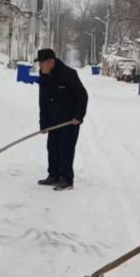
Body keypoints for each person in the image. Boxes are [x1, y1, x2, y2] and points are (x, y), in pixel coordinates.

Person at [37, 49, 89, 191]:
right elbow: (43, 102)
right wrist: (44, 123)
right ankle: (53, 175)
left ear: (51, 62)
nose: (40, 66)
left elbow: (82, 96)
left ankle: (66, 179)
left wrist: (78, 116)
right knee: (52, 148)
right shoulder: (44, 77)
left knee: (65, 149)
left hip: (69, 121)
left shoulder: (68, 75)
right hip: (54, 121)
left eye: (42, 63)